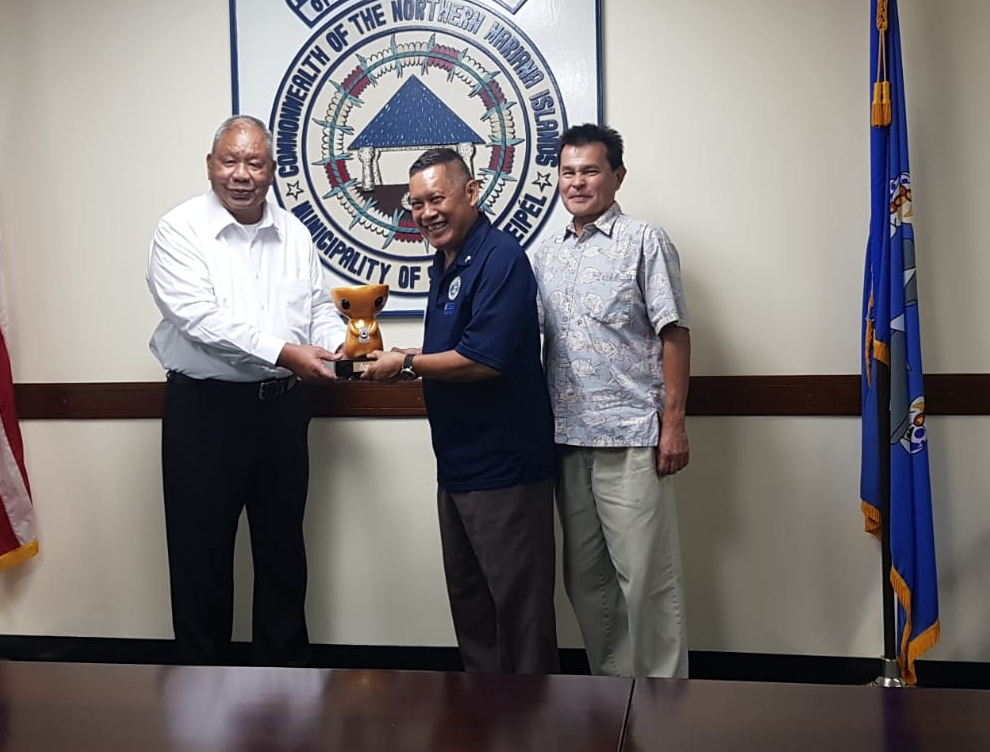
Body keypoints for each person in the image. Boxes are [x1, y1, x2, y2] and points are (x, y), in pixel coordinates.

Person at [145, 114, 343, 666]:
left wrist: (341, 347)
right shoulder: (179, 230)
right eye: (229, 161)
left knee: (283, 554)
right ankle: (202, 688)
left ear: (272, 171)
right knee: (200, 554)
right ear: (210, 165)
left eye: (254, 163)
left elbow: (319, 309)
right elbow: (199, 319)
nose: (241, 174)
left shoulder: (296, 233)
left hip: (282, 413)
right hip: (205, 413)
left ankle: (285, 689)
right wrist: (286, 352)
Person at [361, 147, 559, 674]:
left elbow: (482, 360)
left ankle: (538, 731)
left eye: (438, 198)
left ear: (471, 192)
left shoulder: (501, 257)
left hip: (506, 468)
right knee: (473, 612)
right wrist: (401, 357)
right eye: (417, 203)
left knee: (520, 617)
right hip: (457, 466)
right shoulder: (444, 260)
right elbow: (454, 347)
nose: (427, 213)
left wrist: (404, 361)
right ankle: (485, 726)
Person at [528, 123, 691, 678]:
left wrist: (673, 425)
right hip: (567, 439)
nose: (578, 182)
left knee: (645, 579)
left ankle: (664, 700)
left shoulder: (646, 240)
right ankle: (614, 694)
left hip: (632, 439)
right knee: (586, 580)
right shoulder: (545, 251)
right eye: (568, 172)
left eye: (591, 170)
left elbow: (674, 333)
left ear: (617, 176)